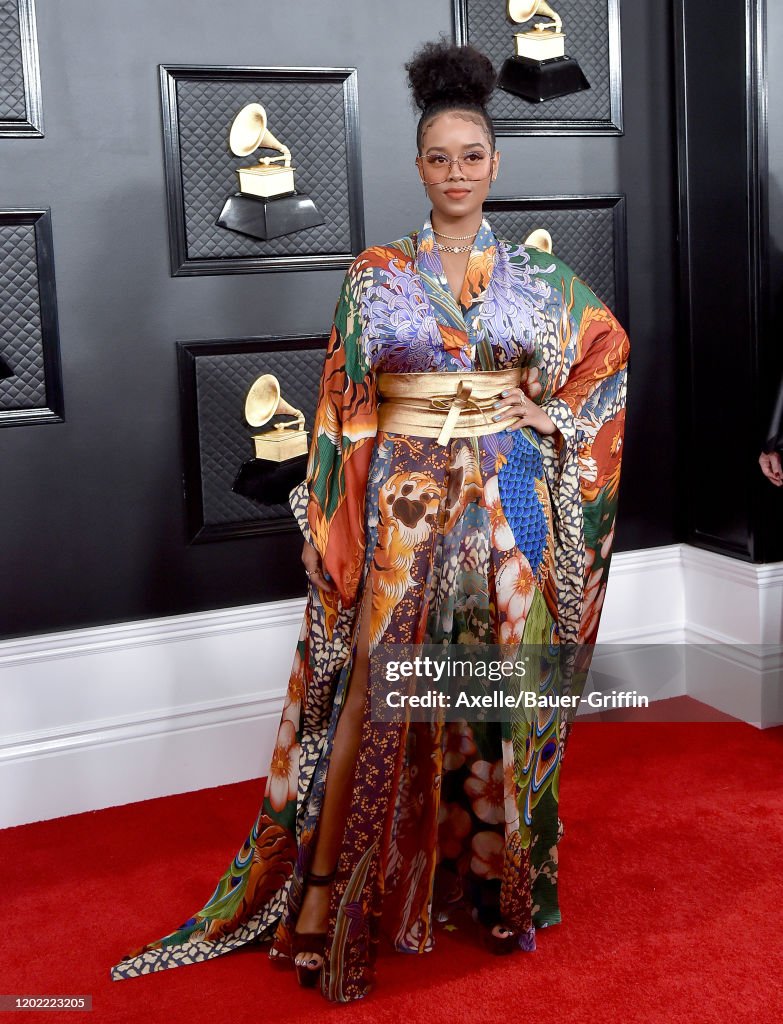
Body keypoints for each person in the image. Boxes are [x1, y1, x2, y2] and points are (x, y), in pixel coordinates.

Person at [110, 38, 630, 1003]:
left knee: (501, 688)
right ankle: (346, 902)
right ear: (419, 167)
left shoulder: (539, 281)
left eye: (472, 156)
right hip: (406, 503)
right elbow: (343, 401)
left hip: (509, 505)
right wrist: (336, 518)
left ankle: (495, 888)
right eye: (440, 157)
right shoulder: (375, 272)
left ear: (494, 166)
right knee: (379, 691)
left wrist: (545, 413)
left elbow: (604, 354)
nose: (457, 173)